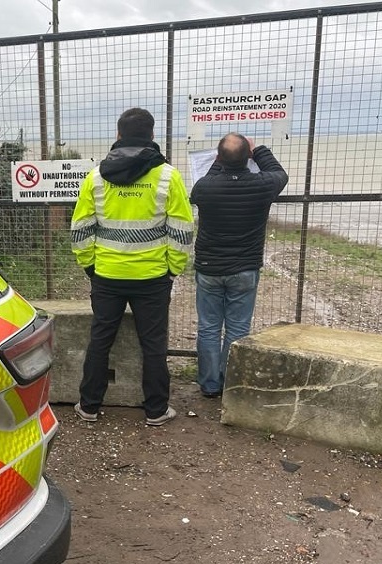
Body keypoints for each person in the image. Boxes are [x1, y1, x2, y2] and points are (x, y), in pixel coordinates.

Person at [70, 108, 195, 426]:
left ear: (118, 134)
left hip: (107, 275)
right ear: (152, 135)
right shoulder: (168, 176)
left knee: (100, 339)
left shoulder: (95, 177)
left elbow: (81, 229)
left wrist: (90, 266)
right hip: (153, 277)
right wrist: (172, 269)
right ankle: (155, 410)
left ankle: (89, 406)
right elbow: (181, 230)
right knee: (153, 344)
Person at [190, 132, 289, 398]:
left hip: (210, 266)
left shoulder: (204, 187)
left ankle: (210, 385)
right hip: (245, 267)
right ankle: (230, 382)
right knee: (238, 328)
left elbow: (207, 179)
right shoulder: (263, 184)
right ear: (248, 157)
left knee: (209, 327)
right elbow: (280, 173)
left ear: (219, 158)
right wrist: (259, 150)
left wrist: (220, 159)